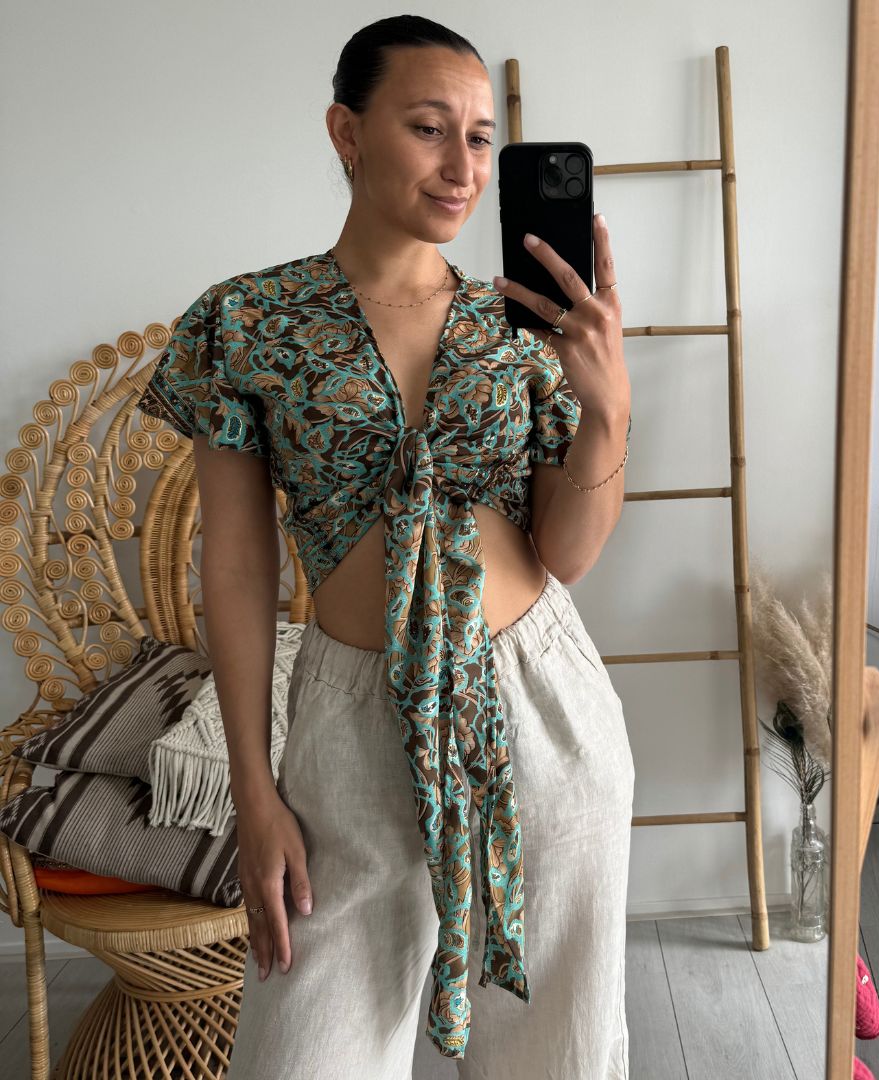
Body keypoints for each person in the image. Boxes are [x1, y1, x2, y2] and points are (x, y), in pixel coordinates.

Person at [136, 15, 634, 1080]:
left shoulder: (522, 323)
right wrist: (254, 793)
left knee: (558, 1053)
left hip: (537, 701)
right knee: (306, 1052)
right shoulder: (245, 323)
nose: (464, 167)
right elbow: (237, 568)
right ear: (347, 131)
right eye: (429, 127)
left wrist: (608, 409)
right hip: (349, 718)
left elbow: (569, 551)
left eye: (482, 138)